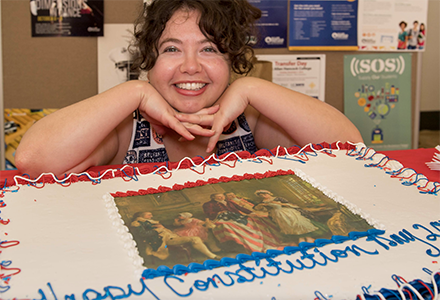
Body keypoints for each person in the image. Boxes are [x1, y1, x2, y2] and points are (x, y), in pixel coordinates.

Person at [15, 0, 362, 178]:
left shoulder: (250, 120)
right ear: (149, 59)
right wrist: (133, 93)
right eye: (171, 48)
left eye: (210, 49)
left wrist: (252, 89)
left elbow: (349, 147)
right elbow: (32, 159)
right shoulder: (126, 126)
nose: (190, 66)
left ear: (231, 61)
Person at [131, 211, 220, 260]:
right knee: (195, 239)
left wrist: (162, 227)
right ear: (141, 216)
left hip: (172, 235)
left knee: (199, 237)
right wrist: (159, 230)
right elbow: (143, 234)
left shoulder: (151, 222)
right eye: (149, 214)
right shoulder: (137, 223)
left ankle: (212, 253)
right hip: (163, 240)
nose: (151, 215)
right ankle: (212, 256)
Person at [253, 190, 327, 243]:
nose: (264, 196)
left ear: (269, 193)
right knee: (288, 226)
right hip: (276, 214)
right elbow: (257, 208)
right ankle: (301, 238)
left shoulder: (278, 198)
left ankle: (308, 237)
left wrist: (276, 203)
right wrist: (261, 205)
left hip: (286, 211)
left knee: (297, 223)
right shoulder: (263, 202)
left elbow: (289, 204)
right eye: (261, 195)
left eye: (264, 194)